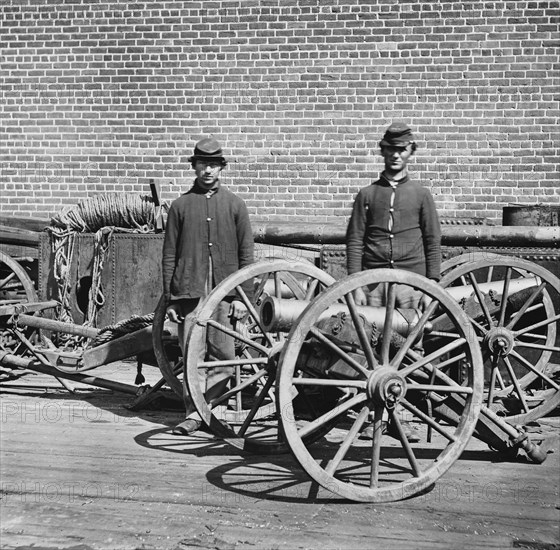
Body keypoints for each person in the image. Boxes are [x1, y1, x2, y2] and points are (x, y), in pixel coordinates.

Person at [345, 122, 442, 442]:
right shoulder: (368, 194)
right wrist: (357, 281)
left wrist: (431, 283)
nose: (396, 155)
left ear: (410, 153)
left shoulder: (421, 195)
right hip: (374, 284)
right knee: (371, 349)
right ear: (383, 153)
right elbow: (355, 240)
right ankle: (373, 416)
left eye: (402, 150)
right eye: (391, 150)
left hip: (410, 285)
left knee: (410, 350)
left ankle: (405, 417)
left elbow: (432, 241)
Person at [162, 138, 254, 436]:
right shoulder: (180, 207)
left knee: (224, 358)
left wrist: (243, 297)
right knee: (192, 355)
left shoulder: (235, 206)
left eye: (213, 165)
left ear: (221, 168)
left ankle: (209, 410)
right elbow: (169, 256)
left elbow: (247, 256)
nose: (208, 171)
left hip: (225, 295)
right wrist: (171, 300)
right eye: (203, 164)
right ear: (195, 166)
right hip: (190, 295)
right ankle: (193, 414)